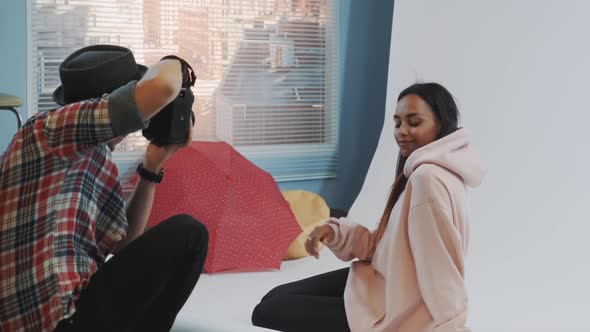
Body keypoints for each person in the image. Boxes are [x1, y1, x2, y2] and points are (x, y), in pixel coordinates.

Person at [0, 45, 208, 332]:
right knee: (189, 233)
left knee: (183, 237)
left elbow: (124, 245)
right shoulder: (45, 132)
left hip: (80, 312)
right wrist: (178, 65)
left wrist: (151, 168)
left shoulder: (99, 159)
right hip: (53, 319)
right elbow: (162, 86)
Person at [251, 83, 486, 332]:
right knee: (273, 296)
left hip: (395, 309)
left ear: (440, 124)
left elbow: (441, 267)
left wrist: (452, 326)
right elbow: (384, 246)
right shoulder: (429, 172)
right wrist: (335, 233)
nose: (402, 132)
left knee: (265, 311)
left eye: (414, 122)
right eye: (397, 123)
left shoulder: (427, 179)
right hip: (380, 283)